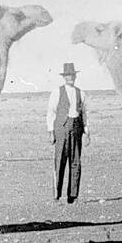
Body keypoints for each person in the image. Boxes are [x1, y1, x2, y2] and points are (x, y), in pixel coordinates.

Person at [46, 63, 88, 202]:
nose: (71, 78)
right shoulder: (57, 92)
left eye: (73, 75)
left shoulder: (81, 93)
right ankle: (56, 195)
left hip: (76, 128)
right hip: (61, 129)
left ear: (75, 76)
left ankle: (73, 196)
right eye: (68, 75)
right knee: (60, 161)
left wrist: (87, 131)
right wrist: (51, 131)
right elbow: (51, 112)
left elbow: (84, 113)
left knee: (75, 162)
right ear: (64, 77)